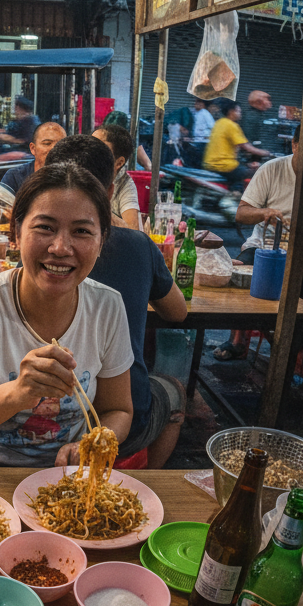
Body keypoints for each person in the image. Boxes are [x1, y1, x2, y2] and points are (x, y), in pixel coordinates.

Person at [0, 163, 133, 466]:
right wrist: (19, 392)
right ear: (17, 234)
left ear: (101, 242)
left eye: (82, 231)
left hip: (63, 476)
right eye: (45, 227)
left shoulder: (108, 306)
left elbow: (119, 411)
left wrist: (91, 443)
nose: (61, 247)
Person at [56, 135, 188, 467]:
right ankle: (147, 479)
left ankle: (137, 483)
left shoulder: (40, 253)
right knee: (174, 391)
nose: (62, 249)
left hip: (77, 413)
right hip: (68, 415)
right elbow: (176, 312)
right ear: (111, 191)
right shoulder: (137, 245)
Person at [214, 120, 303, 360]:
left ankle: (296, 353)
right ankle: (237, 340)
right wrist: (265, 213)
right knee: (240, 276)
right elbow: (242, 213)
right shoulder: (271, 169)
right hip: (266, 247)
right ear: (295, 145)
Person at [203, 98, 270, 188]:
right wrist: (265, 153)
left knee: (244, 170)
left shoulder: (219, 123)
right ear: (231, 111)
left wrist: (247, 164)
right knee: (252, 174)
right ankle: (234, 197)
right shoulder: (231, 125)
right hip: (223, 165)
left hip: (210, 163)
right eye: (238, 111)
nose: (240, 114)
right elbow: (245, 146)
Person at [93, 122, 141, 230]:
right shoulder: (78, 173)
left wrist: (98, 208)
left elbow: (132, 230)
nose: (90, 152)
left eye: (99, 150)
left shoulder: (124, 183)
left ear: (119, 163)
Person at [0, 122, 67, 195]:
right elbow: (0, 205)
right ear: (33, 148)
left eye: (60, 144)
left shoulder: (73, 177)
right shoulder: (14, 176)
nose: (54, 149)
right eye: (47, 143)